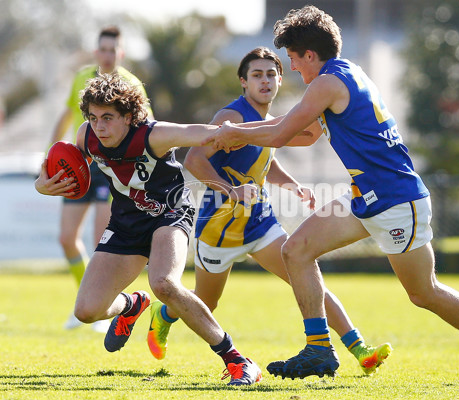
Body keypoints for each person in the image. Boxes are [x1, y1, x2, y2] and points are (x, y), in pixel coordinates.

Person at [208, 6, 459, 387]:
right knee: (296, 250)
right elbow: (301, 133)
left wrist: (234, 133)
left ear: (309, 55)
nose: (291, 68)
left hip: (395, 201)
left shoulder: (325, 83)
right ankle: (319, 348)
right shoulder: (345, 72)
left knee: (423, 293)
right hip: (367, 196)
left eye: (292, 59)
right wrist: (238, 130)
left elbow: (280, 134)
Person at [146, 47, 392, 376]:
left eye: (271, 74)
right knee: (206, 301)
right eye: (257, 75)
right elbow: (194, 160)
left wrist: (293, 187)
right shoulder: (228, 117)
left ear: (279, 80)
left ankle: (360, 349)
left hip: (260, 224)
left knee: (306, 274)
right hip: (220, 230)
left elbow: (265, 160)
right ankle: (164, 315)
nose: (265, 81)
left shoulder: (268, 122)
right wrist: (231, 191)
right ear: (243, 83)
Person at [35, 73, 261, 386]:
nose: (99, 126)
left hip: (170, 212)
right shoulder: (87, 135)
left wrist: (274, 131)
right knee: (86, 311)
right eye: (93, 117)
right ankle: (132, 304)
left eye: (108, 118)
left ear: (129, 117)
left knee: (164, 284)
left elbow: (205, 133)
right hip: (126, 222)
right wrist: (41, 184)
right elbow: (64, 164)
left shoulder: (153, 135)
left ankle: (237, 360)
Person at [48, 26, 152, 332]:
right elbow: (67, 117)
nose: (107, 55)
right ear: (96, 53)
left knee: (100, 243)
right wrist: (48, 158)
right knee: (67, 238)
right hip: (79, 164)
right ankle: (85, 297)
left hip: (113, 169)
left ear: (120, 54)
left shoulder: (132, 85)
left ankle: (104, 303)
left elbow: (147, 127)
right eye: (102, 49)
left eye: (112, 50)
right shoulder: (82, 78)